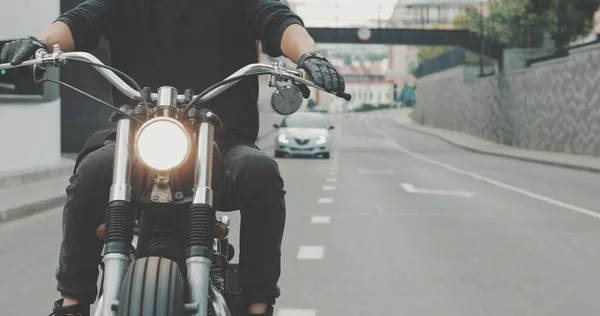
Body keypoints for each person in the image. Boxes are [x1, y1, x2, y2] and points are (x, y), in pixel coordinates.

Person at [0, 1, 345, 315]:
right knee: (92, 170)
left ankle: (257, 304)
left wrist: (309, 56)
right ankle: (73, 303)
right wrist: (41, 41)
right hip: (137, 137)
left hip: (221, 141)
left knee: (261, 173)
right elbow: (80, 20)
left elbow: (278, 19)